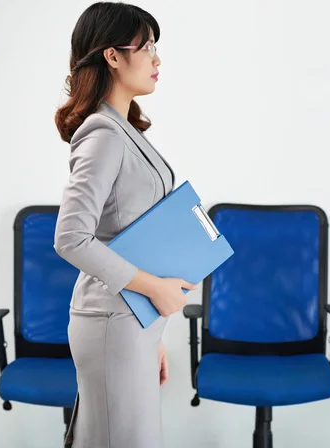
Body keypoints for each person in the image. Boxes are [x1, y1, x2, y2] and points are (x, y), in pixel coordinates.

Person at [53, 2, 197, 447]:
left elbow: (127, 232)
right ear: (112, 56)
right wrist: (154, 290)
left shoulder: (125, 129)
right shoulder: (102, 133)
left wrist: (152, 332)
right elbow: (71, 238)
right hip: (113, 321)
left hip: (132, 322)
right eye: (147, 46)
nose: (157, 59)